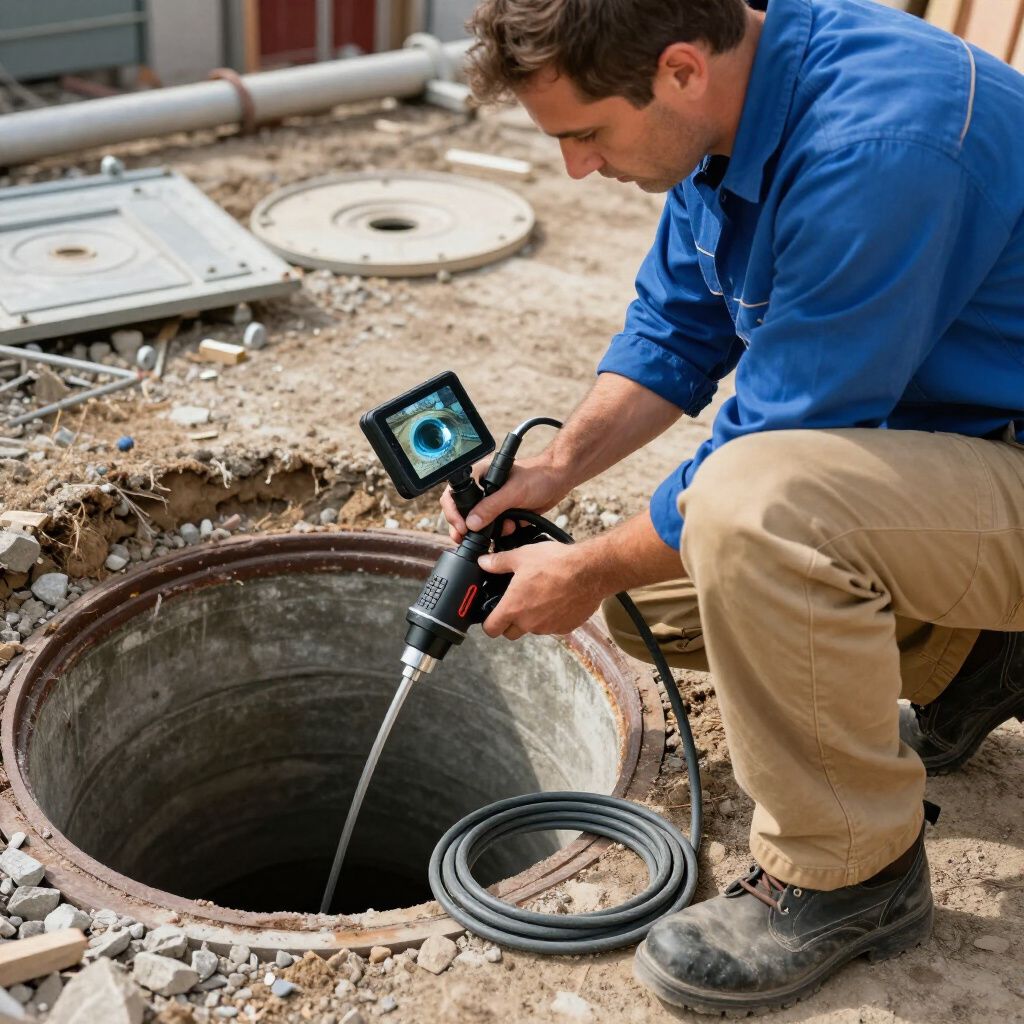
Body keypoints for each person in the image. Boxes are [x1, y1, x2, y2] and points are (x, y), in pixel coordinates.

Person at [440, 0, 1024, 1014]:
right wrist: (556, 472)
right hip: (975, 443)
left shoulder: (880, 148)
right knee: (655, 601)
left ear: (675, 70)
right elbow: (677, 323)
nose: (576, 169)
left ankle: (850, 871)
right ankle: (981, 653)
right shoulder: (741, 93)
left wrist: (582, 568)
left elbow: (769, 442)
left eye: (584, 134)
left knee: (749, 514)